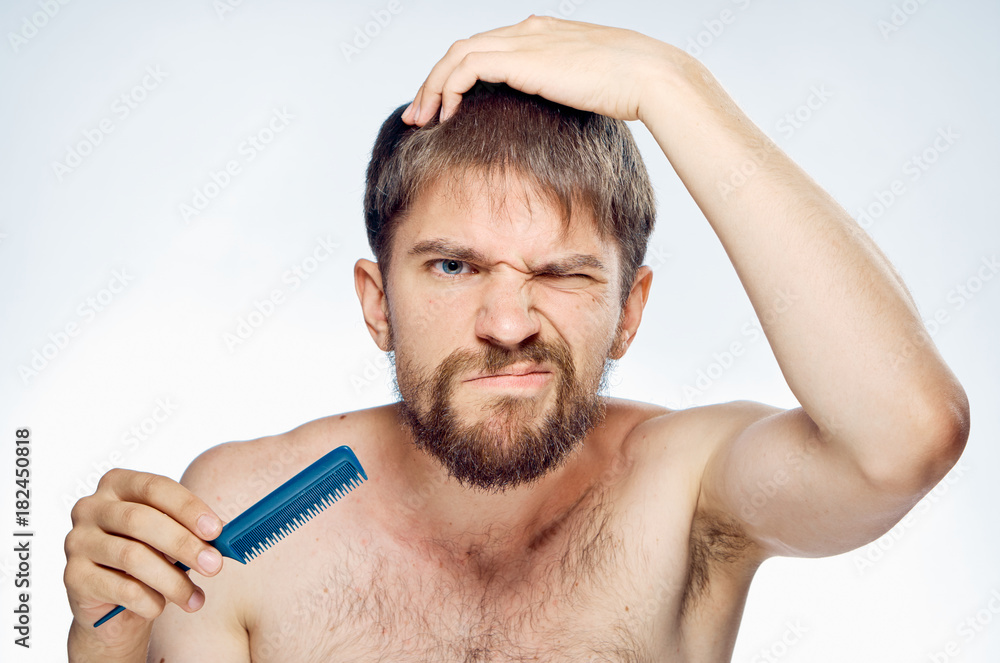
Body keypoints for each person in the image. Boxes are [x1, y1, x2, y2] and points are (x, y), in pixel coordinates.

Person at [63, 16, 969, 662]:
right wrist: (108, 648)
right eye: (454, 266)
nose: (507, 323)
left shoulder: (688, 492)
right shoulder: (237, 516)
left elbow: (906, 435)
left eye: (562, 273)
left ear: (629, 310)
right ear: (377, 303)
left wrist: (668, 83)